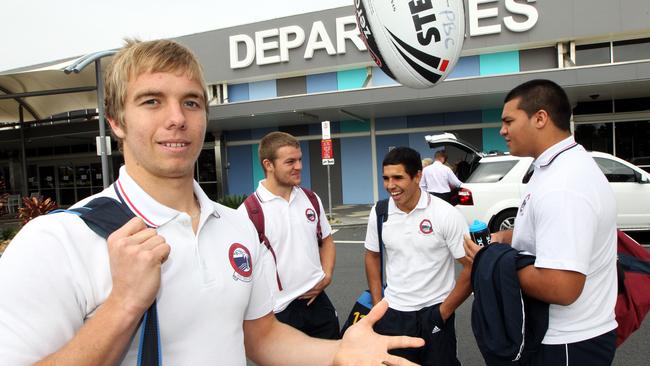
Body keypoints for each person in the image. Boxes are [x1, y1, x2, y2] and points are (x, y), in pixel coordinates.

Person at [0, 39, 424, 366]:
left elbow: (261, 338)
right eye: (151, 101)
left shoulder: (236, 225)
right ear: (115, 121)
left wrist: (336, 353)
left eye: (191, 102)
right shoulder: (55, 241)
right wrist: (124, 305)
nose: (177, 118)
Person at [464, 79, 618, 365]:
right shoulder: (554, 167)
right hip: (560, 336)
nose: (502, 130)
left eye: (509, 120)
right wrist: (501, 240)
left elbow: (562, 287)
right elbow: (543, 233)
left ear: (540, 118)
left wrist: (489, 259)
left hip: (566, 342)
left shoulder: (564, 184)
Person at [365, 147, 472, 366]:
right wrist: (378, 305)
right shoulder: (380, 212)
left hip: (434, 312)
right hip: (392, 312)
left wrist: (444, 311)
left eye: (398, 177)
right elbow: (372, 256)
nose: (390, 185)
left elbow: (471, 266)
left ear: (417, 177)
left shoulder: (445, 214)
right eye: (386, 178)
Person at [238, 131, 339, 339]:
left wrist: (327, 275)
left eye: (300, 159)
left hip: (318, 302)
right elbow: (241, 272)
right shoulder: (248, 212)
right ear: (269, 165)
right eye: (290, 162)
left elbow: (327, 239)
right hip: (278, 312)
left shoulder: (311, 198)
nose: (299, 166)